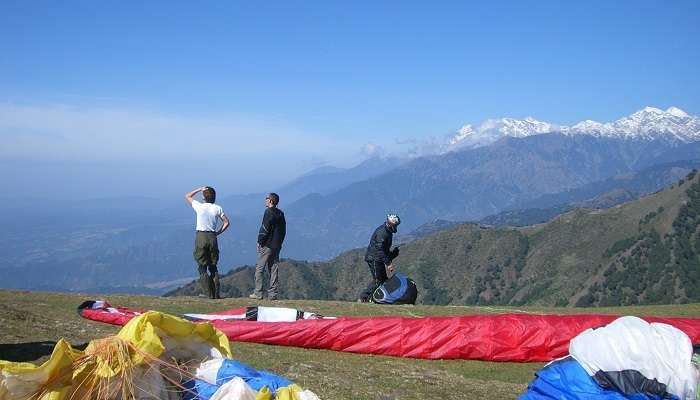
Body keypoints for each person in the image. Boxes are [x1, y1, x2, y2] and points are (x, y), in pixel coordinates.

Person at [185, 186, 229, 299]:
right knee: (213, 266)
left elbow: (188, 196)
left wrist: (199, 189)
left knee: (202, 267)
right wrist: (218, 233)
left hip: (201, 236)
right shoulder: (217, 208)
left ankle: (209, 294)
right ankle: (216, 294)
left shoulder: (199, 206)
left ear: (204, 197)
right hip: (212, 236)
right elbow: (226, 222)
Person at [250, 192, 286, 300]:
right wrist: (280, 242)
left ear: (270, 201)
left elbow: (264, 229)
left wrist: (259, 241)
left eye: (267, 198)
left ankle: (258, 292)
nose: (265, 200)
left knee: (259, 268)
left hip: (267, 245)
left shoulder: (268, 212)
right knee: (274, 269)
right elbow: (283, 231)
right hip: (277, 245)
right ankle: (273, 294)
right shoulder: (281, 214)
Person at [358, 214, 401, 303]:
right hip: (374, 258)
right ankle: (363, 298)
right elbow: (380, 250)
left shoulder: (388, 232)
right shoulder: (383, 233)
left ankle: (378, 299)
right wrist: (388, 263)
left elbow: (384, 250)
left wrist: (393, 254)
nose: (396, 227)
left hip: (378, 258)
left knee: (384, 280)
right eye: (395, 225)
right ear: (390, 224)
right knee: (378, 281)